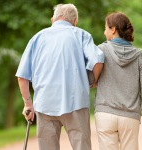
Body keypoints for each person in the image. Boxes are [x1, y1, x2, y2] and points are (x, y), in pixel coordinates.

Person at [15, 4, 104, 150]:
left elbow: (22, 77)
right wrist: (94, 80)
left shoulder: (37, 38)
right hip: (76, 102)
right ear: (75, 21)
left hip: (44, 104)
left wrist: (28, 103)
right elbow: (98, 60)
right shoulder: (81, 35)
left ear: (52, 20)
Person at [93, 12, 142, 150]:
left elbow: (90, 77)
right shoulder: (139, 56)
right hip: (130, 117)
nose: (104, 32)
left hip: (105, 114)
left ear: (113, 29)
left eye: (106, 28)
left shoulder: (101, 50)